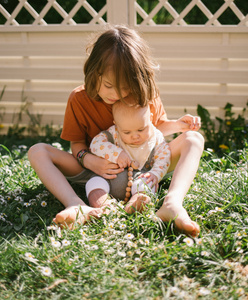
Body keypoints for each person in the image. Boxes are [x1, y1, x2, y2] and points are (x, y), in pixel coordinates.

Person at [28, 25, 204, 236]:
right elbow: (76, 144)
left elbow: (154, 129)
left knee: (193, 138)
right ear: (95, 72)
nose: (116, 95)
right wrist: (89, 160)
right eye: (109, 85)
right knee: (38, 151)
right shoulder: (79, 99)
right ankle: (76, 205)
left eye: (125, 87)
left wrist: (179, 125)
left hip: (145, 165)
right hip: (97, 168)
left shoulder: (144, 94)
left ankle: (172, 203)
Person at [87, 97, 171, 214]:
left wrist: (155, 173)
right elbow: (95, 144)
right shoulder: (114, 133)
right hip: (110, 177)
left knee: (146, 184)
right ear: (117, 125)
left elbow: (164, 156)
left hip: (140, 176)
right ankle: (103, 203)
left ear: (150, 119)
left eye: (141, 130)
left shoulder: (156, 138)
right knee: (94, 183)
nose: (135, 136)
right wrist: (116, 154)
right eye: (127, 132)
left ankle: (137, 202)